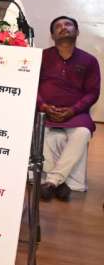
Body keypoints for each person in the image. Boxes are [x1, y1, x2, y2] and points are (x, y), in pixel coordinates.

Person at [37, 16, 100, 201]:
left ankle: (51, 181)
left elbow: (92, 92)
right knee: (37, 131)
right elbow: (31, 85)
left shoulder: (89, 60)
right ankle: (59, 183)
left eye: (68, 24)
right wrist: (43, 106)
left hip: (75, 114)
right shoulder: (41, 57)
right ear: (52, 36)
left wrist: (73, 109)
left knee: (83, 133)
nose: (63, 27)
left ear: (77, 32)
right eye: (58, 26)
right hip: (44, 111)